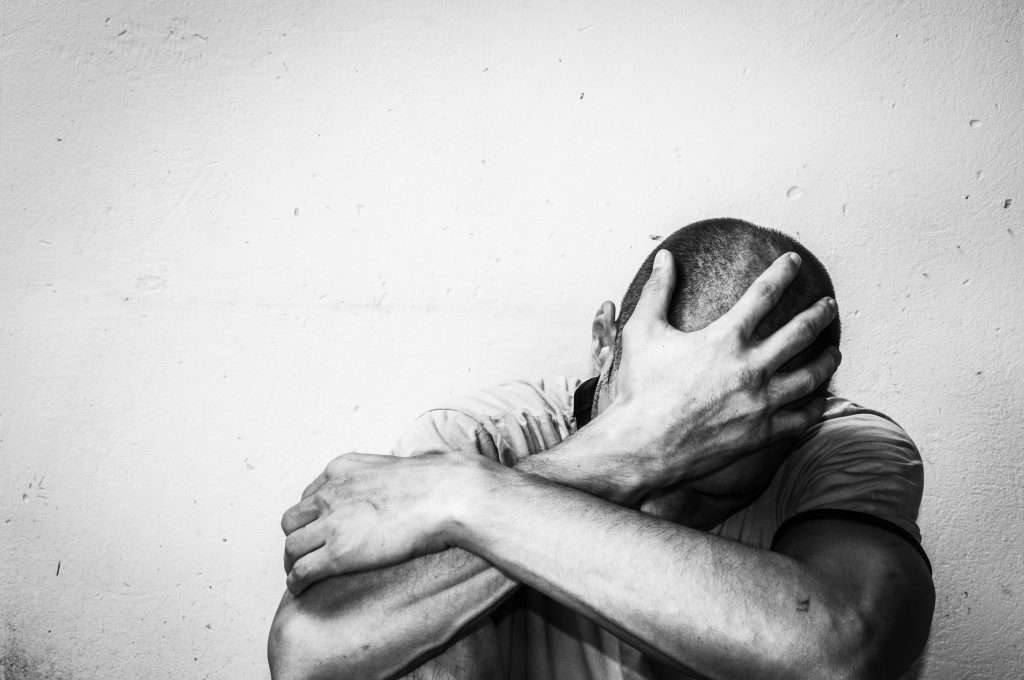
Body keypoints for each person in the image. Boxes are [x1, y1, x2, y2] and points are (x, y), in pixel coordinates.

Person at [268, 218, 934, 680]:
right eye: (659, 424)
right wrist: (617, 459)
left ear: (801, 413)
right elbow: (313, 655)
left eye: (710, 479)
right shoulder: (477, 440)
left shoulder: (843, 446)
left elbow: (836, 656)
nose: (665, 500)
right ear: (603, 341)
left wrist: (469, 499)